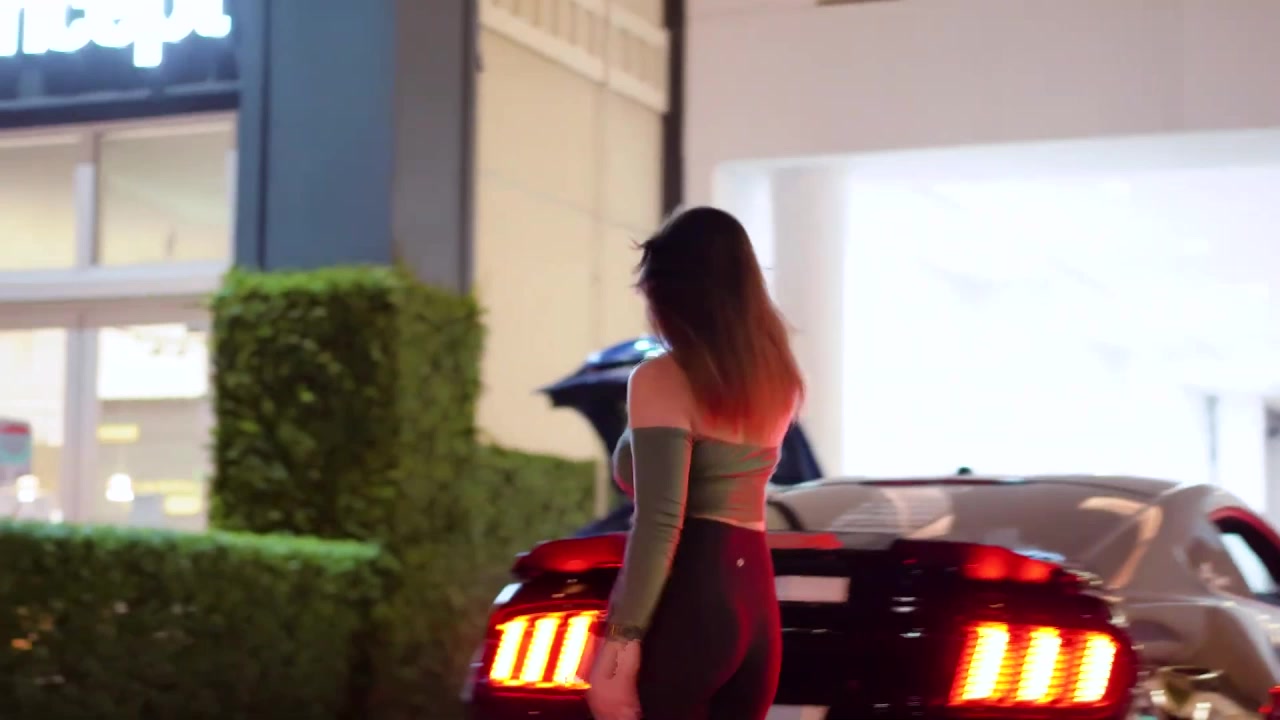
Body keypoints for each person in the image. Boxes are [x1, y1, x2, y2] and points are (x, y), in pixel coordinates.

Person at [585, 206, 805, 720]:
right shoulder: (779, 382)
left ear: (672, 293)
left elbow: (661, 521)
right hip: (755, 605)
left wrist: (619, 642)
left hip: (695, 594)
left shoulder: (662, 378)